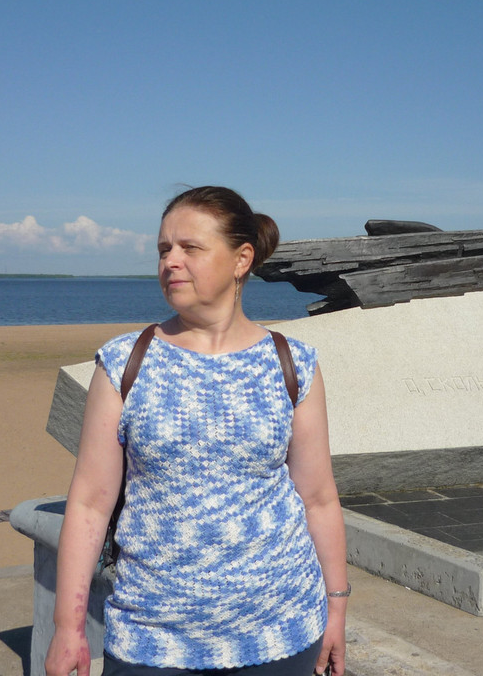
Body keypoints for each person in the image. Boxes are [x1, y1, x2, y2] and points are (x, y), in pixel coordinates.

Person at [46, 186, 348, 676]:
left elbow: (318, 498)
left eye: (190, 248)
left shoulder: (293, 364)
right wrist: (68, 627)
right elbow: (89, 503)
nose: (171, 261)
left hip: (284, 629)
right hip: (152, 640)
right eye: (164, 249)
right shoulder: (124, 363)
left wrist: (336, 607)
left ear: (241, 259)